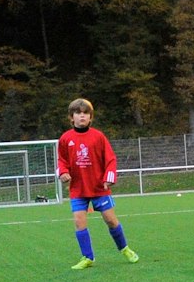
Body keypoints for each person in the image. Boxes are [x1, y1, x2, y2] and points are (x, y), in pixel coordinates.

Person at [56, 98, 139, 269]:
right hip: (78, 189)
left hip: (99, 188)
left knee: (110, 220)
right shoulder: (66, 139)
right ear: (72, 117)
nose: (82, 116)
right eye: (78, 113)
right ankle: (87, 257)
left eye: (85, 113)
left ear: (90, 117)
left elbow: (110, 159)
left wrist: (109, 177)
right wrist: (63, 172)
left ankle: (125, 249)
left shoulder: (98, 137)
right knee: (79, 222)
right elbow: (61, 161)